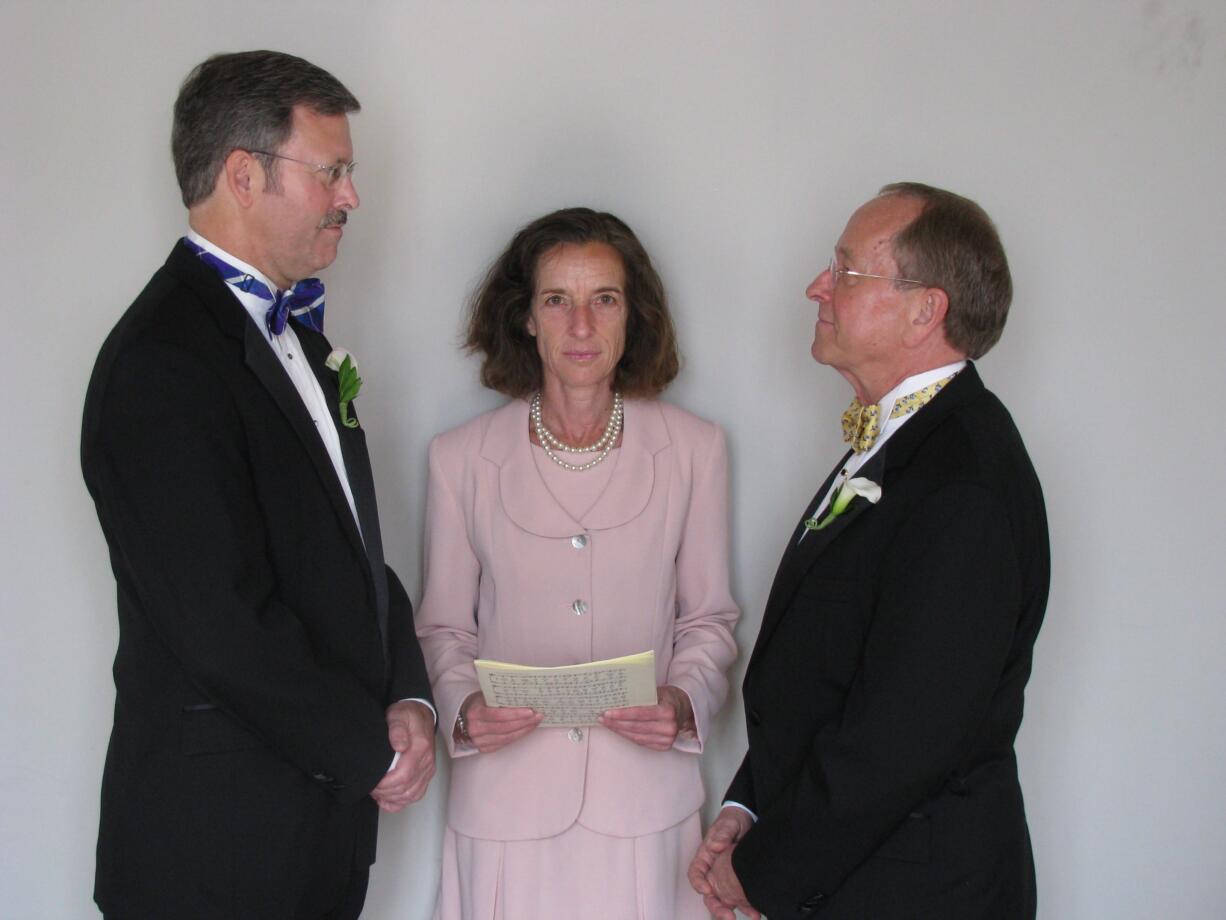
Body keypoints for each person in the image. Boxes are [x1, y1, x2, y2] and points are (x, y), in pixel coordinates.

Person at [81, 50, 436, 920]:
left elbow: (352, 555)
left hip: (308, 839)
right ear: (244, 175)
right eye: (333, 171)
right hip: (212, 853)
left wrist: (410, 694)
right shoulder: (161, 360)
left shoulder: (309, 346)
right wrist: (369, 750)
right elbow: (219, 620)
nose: (351, 197)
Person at [689, 183, 1050, 919]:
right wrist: (752, 805)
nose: (816, 287)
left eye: (847, 272)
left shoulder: (964, 480)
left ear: (927, 310)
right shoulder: (911, 443)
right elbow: (830, 672)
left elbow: (904, 737)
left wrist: (762, 869)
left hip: (916, 892)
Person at [415, 207, 739, 919]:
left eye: (605, 300)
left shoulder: (694, 449)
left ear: (634, 315)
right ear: (526, 318)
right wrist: (464, 713)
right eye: (557, 301)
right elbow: (442, 629)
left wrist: (683, 703)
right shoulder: (460, 459)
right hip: (505, 807)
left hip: (644, 806)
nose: (582, 327)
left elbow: (711, 619)